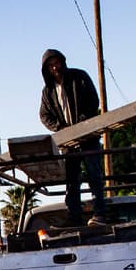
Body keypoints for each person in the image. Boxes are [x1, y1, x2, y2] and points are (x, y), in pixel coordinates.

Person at [39, 48, 106, 225]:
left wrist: (82, 121)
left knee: (94, 175)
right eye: (51, 65)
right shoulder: (48, 91)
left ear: (63, 62)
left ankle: (100, 213)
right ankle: (74, 217)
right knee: (72, 181)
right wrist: (61, 127)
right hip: (68, 142)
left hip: (88, 136)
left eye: (57, 63)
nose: (55, 68)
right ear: (46, 69)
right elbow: (44, 115)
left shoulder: (79, 77)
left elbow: (93, 100)